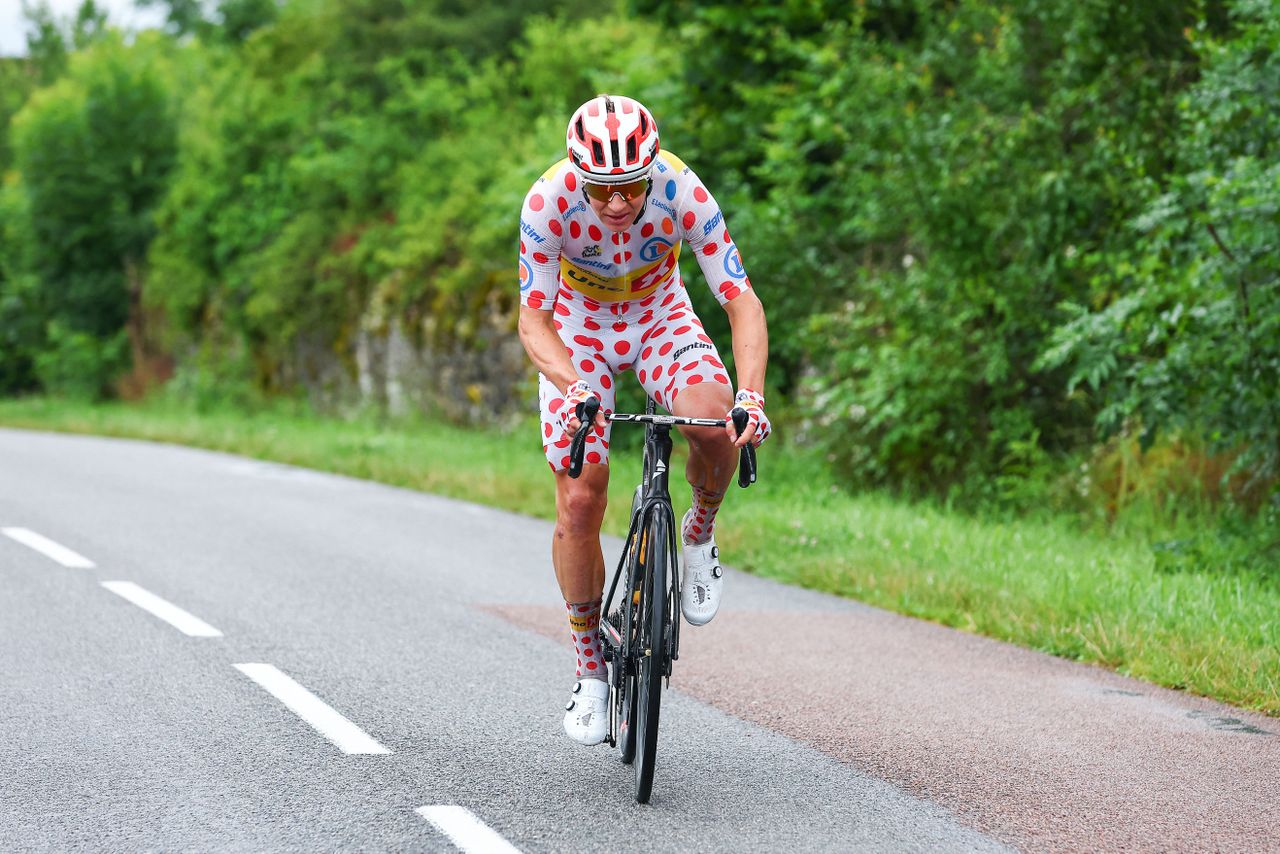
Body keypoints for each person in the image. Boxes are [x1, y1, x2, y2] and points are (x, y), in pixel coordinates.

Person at [516, 94, 771, 746]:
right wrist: (571, 385)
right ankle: (590, 672)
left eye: (630, 186)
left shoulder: (682, 188)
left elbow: (740, 301)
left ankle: (699, 530)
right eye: (602, 189)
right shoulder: (547, 203)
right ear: (579, 174)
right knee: (579, 499)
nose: (618, 203)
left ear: (650, 170)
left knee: (712, 424)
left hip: (660, 315)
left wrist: (751, 396)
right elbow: (533, 320)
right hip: (579, 331)